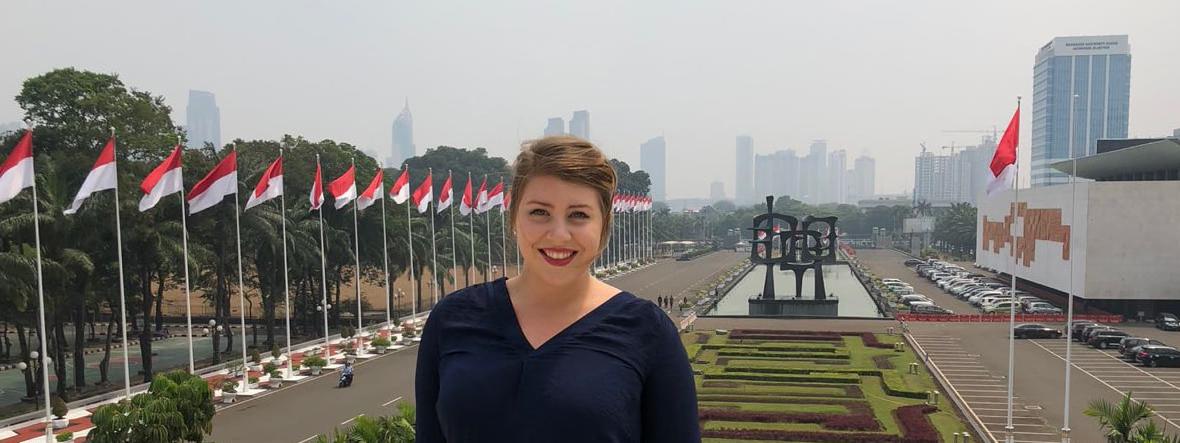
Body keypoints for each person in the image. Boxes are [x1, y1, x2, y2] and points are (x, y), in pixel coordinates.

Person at [415, 136, 700, 442]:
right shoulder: (453, 319)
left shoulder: (647, 332)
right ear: (513, 217)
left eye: (578, 215)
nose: (559, 234)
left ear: (603, 225)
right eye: (540, 212)